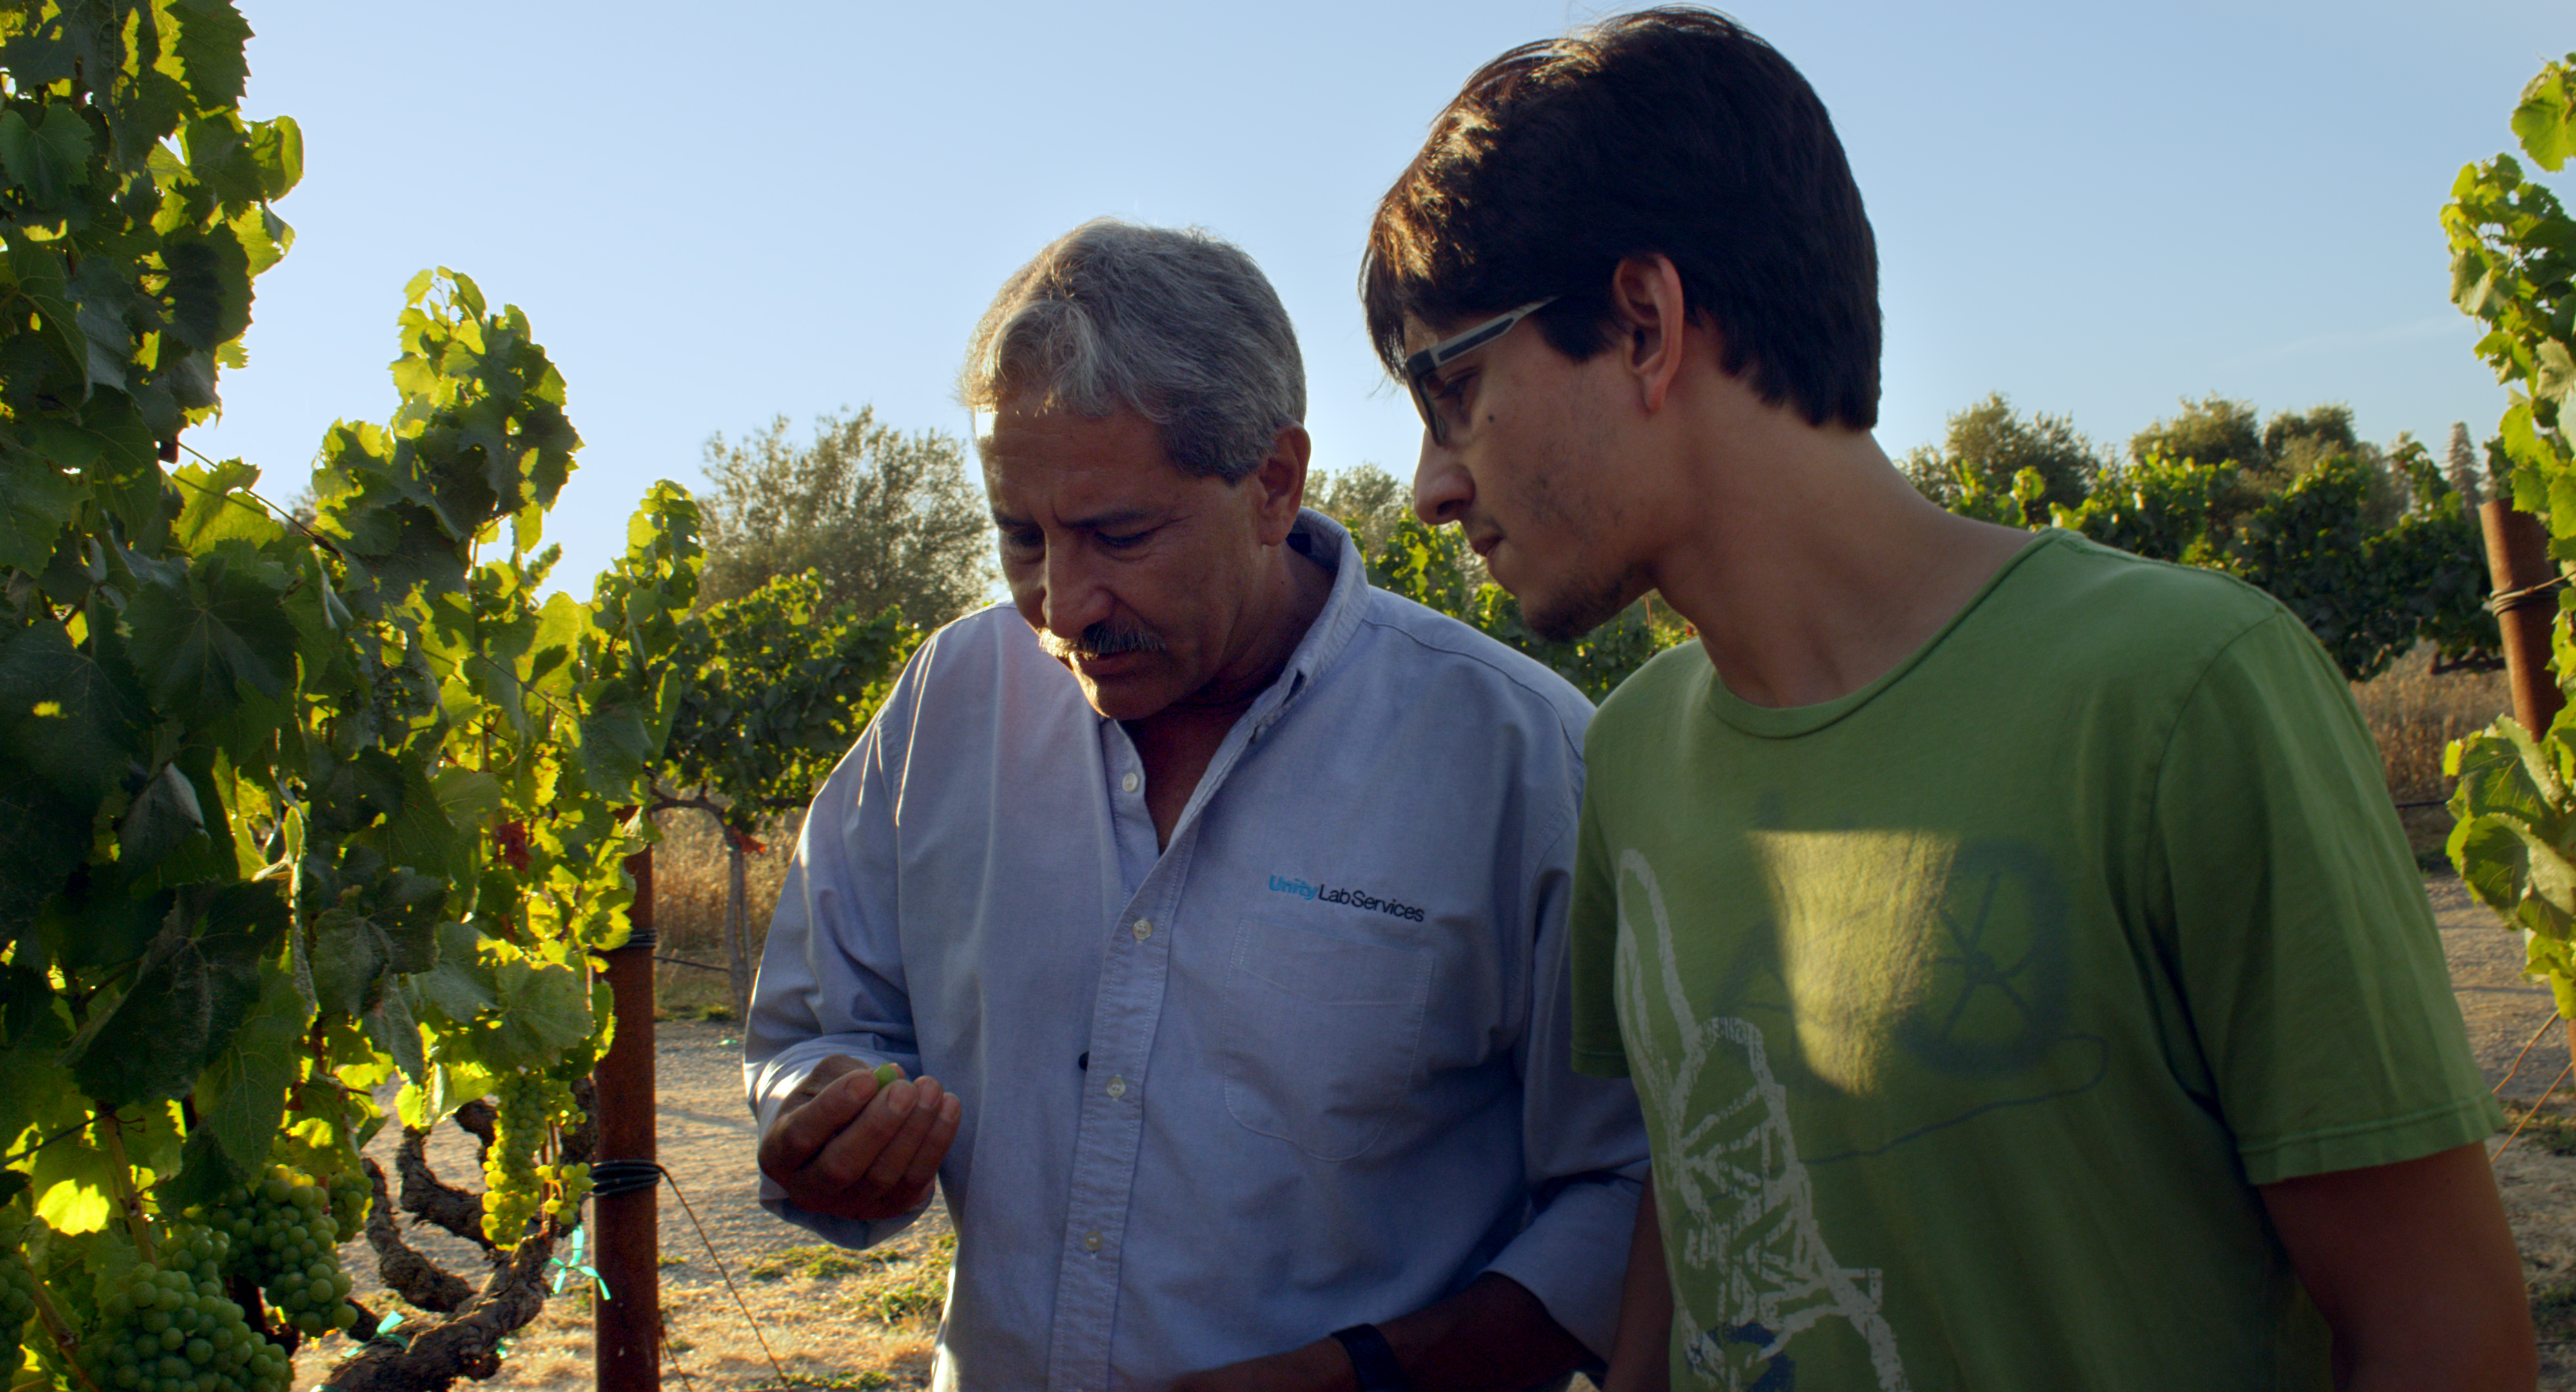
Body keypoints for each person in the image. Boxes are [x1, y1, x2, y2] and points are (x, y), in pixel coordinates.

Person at [1360, 10, 2535, 1391]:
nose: (1434, 486)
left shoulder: (2184, 694)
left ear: (1643, 323)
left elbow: (2438, 1335)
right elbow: (1700, 1203)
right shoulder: (1629, 757)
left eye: (1453, 391)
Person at [746, 217, 1650, 1392]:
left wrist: (1365, 1376)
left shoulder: (1520, 760)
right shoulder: (948, 702)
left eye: (1119, 534)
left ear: (1275, 481)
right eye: (1020, 538)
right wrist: (824, 1119)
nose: (1064, 603)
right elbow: (815, 1027)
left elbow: (1627, 1189)